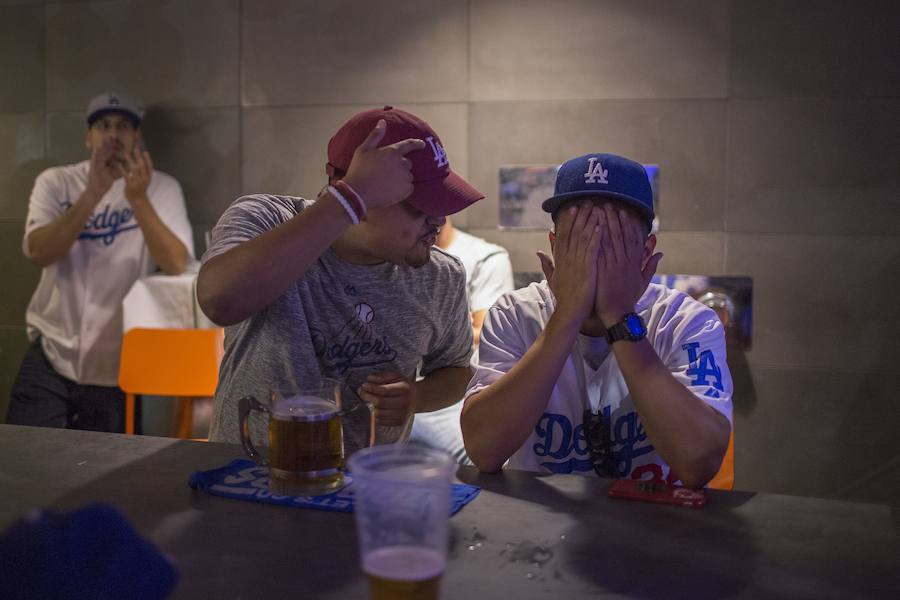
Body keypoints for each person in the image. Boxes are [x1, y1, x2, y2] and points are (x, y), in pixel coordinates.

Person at [197, 106, 483, 452]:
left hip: (365, 484)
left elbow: (456, 371)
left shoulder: (441, 276)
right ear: (360, 193)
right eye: (419, 208)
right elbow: (219, 301)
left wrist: (416, 397)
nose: (439, 222)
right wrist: (350, 197)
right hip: (245, 475)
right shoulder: (265, 219)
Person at [461, 153, 733, 488]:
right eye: (579, 240)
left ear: (646, 252)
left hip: (659, 525)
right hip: (538, 533)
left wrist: (620, 317)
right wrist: (566, 316)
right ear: (554, 244)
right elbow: (483, 450)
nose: (592, 256)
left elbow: (699, 463)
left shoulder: (685, 321)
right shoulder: (514, 316)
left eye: (612, 242)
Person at [7, 91, 194, 432]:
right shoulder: (57, 182)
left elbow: (177, 264)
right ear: (88, 136)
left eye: (123, 126)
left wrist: (137, 199)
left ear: (136, 136)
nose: (112, 135)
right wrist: (94, 192)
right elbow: (38, 252)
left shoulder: (161, 187)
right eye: (103, 125)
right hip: (52, 350)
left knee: (98, 471)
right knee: (21, 457)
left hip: (118, 364)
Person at [410, 218, 514, 463]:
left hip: (466, 384)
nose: (435, 220)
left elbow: (489, 330)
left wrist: (453, 324)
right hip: (420, 389)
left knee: (492, 454)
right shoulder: (398, 257)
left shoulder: (484, 257)